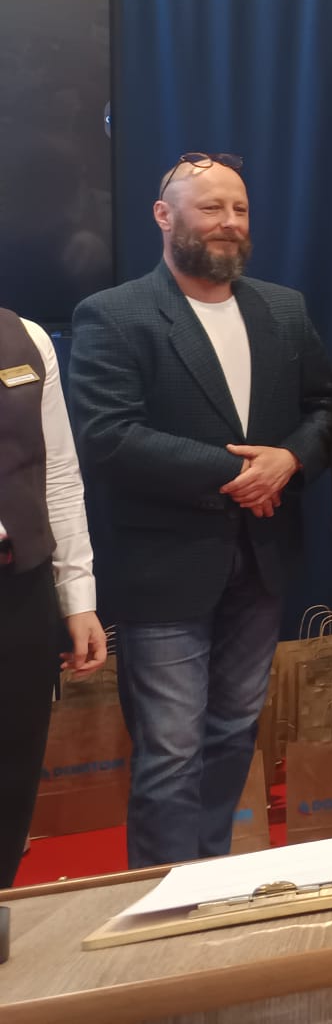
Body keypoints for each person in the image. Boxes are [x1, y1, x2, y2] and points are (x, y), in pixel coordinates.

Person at [68, 153, 332, 867]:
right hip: (165, 569)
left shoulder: (284, 309)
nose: (229, 222)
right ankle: (160, 901)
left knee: (234, 734)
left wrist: (290, 459)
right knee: (170, 752)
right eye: (212, 207)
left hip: (264, 562)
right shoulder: (114, 314)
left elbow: (326, 409)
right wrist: (239, 473)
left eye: (240, 209)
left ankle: (210, 883)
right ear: (164, 215)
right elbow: (108, 436)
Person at [1, 305, 108, 888]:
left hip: (20, 589)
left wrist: (77, 595)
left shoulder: (26, 337)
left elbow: (60, 474)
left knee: (12, 777)